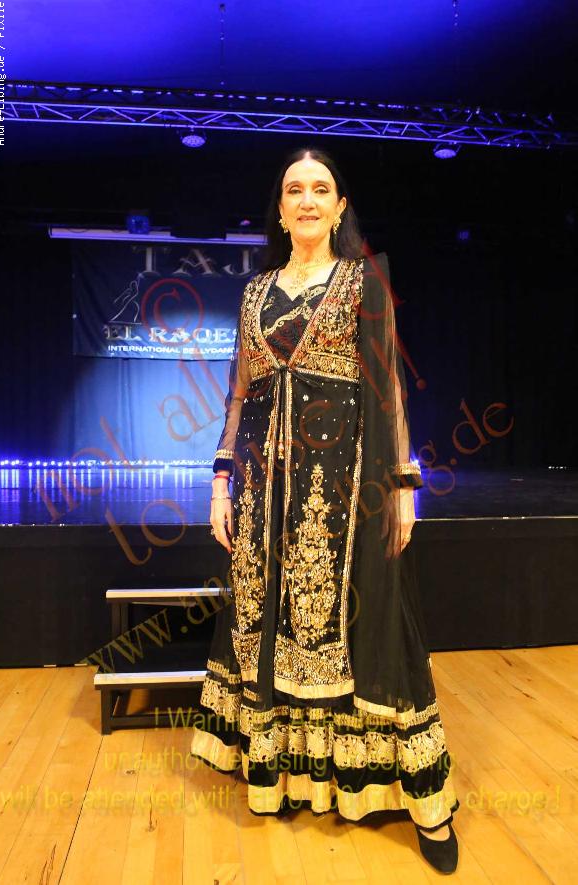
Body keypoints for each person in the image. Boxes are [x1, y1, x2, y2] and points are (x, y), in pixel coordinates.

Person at [190, 147, 459, 874]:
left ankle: (422, 799)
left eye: (320, 189)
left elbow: (389, 386)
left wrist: (404, 485)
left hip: (344, 490)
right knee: (269, 624)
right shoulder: (254, 293)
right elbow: (240, 392)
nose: (306, 200)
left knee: (373, 624)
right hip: (261, 491)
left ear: (339, 207)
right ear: (280, 211)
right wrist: (220, 482)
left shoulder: (363, 280)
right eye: (294, 190)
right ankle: (286, 774)